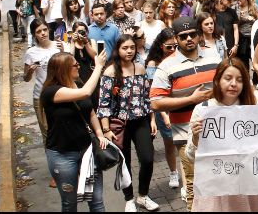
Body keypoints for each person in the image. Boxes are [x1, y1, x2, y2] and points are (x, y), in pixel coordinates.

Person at [150, 17, 221, 211]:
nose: (189, 39)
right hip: (185, 133)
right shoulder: (166, 66)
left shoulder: (214, 56)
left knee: (220, 184)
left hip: (220, 132)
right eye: (183, 36)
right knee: (193, 185)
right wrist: (191, 99)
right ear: (176, 39)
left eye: (192, 35)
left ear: (198, 36)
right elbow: (156, 102)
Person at [186, 57, 258, 211]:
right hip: (215, 190)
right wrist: (195, 138)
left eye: (239, 80)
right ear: (217, 81)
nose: (234, 84)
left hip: (248, 189)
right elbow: (190, 157)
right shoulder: (203, 110)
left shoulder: (253, 106)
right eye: (228, 78)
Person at [97, 34, 159, 212]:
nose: (129, 51)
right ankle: (129, 198)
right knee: (124, 162)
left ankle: (143, 195)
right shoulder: (110, 72)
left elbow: (147, 97)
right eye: (125, 48)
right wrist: (106, 129)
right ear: (118, 49)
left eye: (132, 47)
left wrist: (152, 119)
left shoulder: (140, 68)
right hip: (119, 124)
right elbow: (103, 103)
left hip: (141, 121)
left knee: (147, 158)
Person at [40, 51, 108, 212]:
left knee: (96, 201)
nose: (78, 66)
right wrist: (98, 66)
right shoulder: (51, 92)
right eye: (75, 64)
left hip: (87, 152)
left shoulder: (76, 84)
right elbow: (86, 93)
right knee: (70, 203)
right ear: (62, 69)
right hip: (62, 155)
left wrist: (99, 133)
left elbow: (90, 112)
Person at [144, 28, 181, 194]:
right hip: (163, 109)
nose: (173, 50)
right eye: (169, 47)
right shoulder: (153, 64)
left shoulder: (180, 59)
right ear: (160, 46)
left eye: (175, 46)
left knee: (184, 143)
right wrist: (164, 115)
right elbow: (154, 94)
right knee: (170, 143)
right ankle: (174, 172)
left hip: (181, 105)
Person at [24, 18, 64, 141]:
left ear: (48, 29)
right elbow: (26, 78)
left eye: (45, 29)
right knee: (47, 132)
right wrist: (30, 71)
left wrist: (63, 52)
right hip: (40, 96)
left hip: (60, 93)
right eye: (38, 31)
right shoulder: (31, 53)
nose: (43, 33)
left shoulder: (58, 46)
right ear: (34, 34)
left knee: (62, 129)